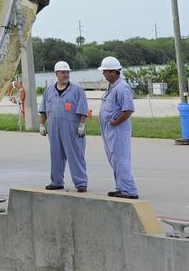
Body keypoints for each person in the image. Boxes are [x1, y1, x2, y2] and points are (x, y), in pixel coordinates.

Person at [39, 61, 90, 192]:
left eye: (67, 72)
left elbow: (83, 110)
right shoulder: (48, 91)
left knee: (75, 154)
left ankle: (81, 182)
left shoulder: (77, 90)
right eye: (63, 72)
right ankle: (56, 181)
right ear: (56, 74)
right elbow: (43, 110)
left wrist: (81, 126)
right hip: (53, 127)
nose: (66, 74)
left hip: (71, 128)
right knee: (56, 155)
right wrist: (41, 125)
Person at [99, 56, 139, 199]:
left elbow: (128, 110)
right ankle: (121, 188)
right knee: (115, 160)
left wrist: (116, 122)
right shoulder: (112, 86)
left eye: (105, 71)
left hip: (118, 130)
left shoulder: (122, 88)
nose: (103, 74)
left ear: (114, 72)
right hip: (111, 131)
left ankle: (129, 190)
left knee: (121, 160)